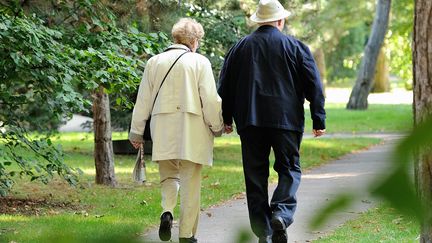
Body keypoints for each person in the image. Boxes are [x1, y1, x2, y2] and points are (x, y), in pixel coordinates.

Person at [217, 0, 326, 242]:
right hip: (286, 121)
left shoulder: (239, 48)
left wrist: (226, 118)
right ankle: (281, 212)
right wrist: (318, 118)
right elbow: (314, 85)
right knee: (289, 168)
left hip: (250, 121)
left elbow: (225, 87)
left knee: (255, 176)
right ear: (280, 20)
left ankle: (263, 231)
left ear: (258, 20)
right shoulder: (295, 47)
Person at [129, 18, 224, 243]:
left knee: (169, 176)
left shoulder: (154, 62)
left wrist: (136, 131)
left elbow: (143, 100)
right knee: (191, 183)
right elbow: (210, 100)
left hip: (162, 127)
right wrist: (217, 126)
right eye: (198, 40)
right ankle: (186, 235)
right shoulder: (200, 62)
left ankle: (167, 211)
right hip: (192, 130)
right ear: (193, 40)